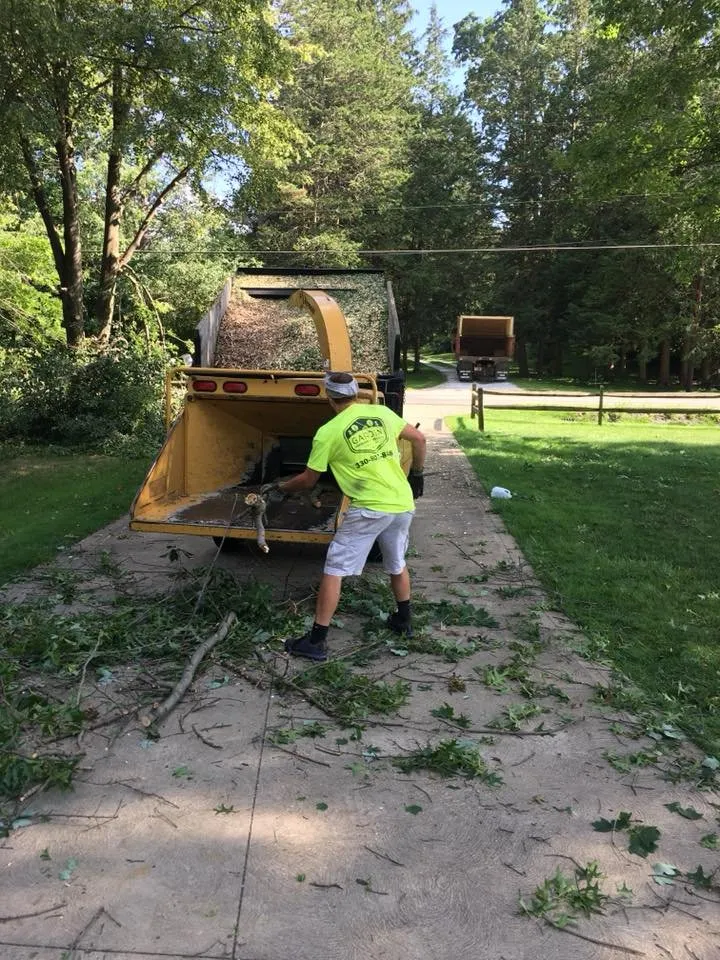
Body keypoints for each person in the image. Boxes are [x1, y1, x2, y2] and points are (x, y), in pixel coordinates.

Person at [263, 371, 426, 662]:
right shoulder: (380, 412)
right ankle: (404, 621)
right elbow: (419, 438)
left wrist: (280, 488)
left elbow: (309, 480)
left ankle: (316, 640)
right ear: (356, 392)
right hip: (401, 503)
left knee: (335, 568)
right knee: (396, 562)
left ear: (329, 397)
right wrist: (417, 475)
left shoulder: (328, 431)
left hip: (369, 507)